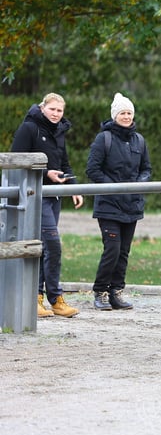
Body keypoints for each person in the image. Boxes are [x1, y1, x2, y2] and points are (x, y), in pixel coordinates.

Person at [11, 92, 83, 318]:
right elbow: (16, 160)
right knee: (52, 245)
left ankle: (41, 299)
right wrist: (45, 173)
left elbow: (64, 162)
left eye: (60, 111)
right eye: (52, 109)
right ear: (43, 108)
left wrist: (74, 188)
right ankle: (52, 298)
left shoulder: (59, 132)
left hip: (54, 197)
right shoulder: (29, 128)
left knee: (44, 248)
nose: (56, 114)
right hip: (34, 196)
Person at [86, 92, 152, 311]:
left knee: (124, 251)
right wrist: (113, 189)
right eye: (122, 113)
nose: (126, 116)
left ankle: (117, 292)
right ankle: (100, 291)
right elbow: (92, 169)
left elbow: (146, 169)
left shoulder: (139, 141)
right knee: (112, 249)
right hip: (109, 205)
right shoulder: (103, 139)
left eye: (129, 113)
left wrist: (138, 185)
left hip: (132, 205)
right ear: (115, 115)